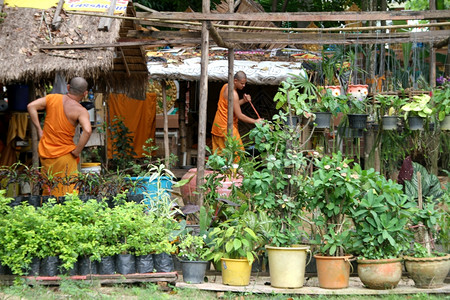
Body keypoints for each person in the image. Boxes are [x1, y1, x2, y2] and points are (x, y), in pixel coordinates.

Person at [27, 77, 92, 197]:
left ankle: (48, 214)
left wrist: (39, 130)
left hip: (46, 153)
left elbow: (31, 106)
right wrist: (77, 151)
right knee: (68, 191)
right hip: (65, 155)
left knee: (49, 190)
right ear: (85, 93)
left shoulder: (52, 98)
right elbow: (87, 130)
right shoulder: (81, 111)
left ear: (68, 88)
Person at [211, 71, 263, 153]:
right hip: (227, 127)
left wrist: (243, 100)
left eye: (245, 83)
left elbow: (231, 105)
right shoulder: (234, 94)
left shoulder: (225, 86)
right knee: (237, 154)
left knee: (220, 155)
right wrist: (255, 121)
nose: (244, 85)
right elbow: (240, 115)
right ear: (235, 81)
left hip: (218, 125)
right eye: (242, 83)